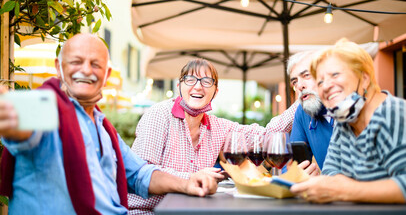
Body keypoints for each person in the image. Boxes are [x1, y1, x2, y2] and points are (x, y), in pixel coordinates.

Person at [0, 33, 217, 214]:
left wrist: (187, 183)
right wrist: (13, 114)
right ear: (58, 68)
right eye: (76, 61)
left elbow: (140, 173)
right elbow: (24, 121)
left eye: (95, 64)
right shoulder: (48, 107)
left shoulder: (103, 127)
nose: (85, 70)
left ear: (106, 75)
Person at [128, 58, 299, 214]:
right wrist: (192, 176)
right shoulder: (158, 115)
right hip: (146, 211)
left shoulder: (218, 127)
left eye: (206, 81)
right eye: (190, 79)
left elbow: (266, 134)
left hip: (189, 210)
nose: (197, 86)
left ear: (215, 92)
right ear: (179, 86)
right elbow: (141, 172)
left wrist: (302, 101)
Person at [291, 38, 406, 203]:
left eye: (335, 74)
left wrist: (346, 190)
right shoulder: (345, 120)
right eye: (321, 81)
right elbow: (331, 172)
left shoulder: (394, 113)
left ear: (364, 78)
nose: (325, 86)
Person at [287, 51, 334, 173]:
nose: (299, 86)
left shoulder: (351, 110)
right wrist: (298, 175)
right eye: (294, 82)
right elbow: (291, 164)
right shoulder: (302, 113)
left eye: (306, 75)